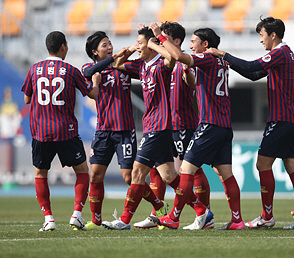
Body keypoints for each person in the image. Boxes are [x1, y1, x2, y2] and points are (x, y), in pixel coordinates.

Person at [205, 17, 294, 230]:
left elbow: (252, 65)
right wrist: (229, 62)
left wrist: (222, 54)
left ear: (273, 35)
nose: (260, 40)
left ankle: (267, 216)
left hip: (282, 119)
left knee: (262, 164)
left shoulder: (279, 53)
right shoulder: (285, 54)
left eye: (262, 35)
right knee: (292, 166)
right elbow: (253, 74)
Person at [151, 25, 242, 230]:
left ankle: (174, 217)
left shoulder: (207, 58)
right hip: (224, 125)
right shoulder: (221, 62)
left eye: (194, 41)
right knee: (226, 174)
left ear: (205, 44)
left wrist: (159, 37)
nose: (190, 45)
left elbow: (177, 55)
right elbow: (192, 79)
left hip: (209, 124)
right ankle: (237, 220)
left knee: (185, 170)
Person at [100, 26, 185, 230]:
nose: (138, 47)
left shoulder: (161, 65)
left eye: (140, 43)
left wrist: (156, 40)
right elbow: (118, 64)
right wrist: (131, 49)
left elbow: (173, 58)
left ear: (152, 45)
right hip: (152, 125)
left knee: (137, 172)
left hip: (160, 125)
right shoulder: (142, 66)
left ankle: (124, 220)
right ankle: (202, 211)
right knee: (169, 176)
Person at [81, 31, 167, 230]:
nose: (109, 47)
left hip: (125, 131)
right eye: (104, 45)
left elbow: (148, 68)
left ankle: (159, 207)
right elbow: (86, 74)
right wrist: (115, 56)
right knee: (95, 176)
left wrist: (129, 53)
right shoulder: (91, 69)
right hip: (103, 131)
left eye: (110, 43)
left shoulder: (123, 68)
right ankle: (96, 219)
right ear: (95, 52)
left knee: (130, 177)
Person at [134, 21, 212, 230]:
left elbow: (192, 82)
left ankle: (204, 212)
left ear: (175, 41)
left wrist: (157, 42)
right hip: (166, 124)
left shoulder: (182, 60)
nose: (160, 41)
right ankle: (158, 213)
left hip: (183, 125)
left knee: (192, 171)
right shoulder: (160, 62)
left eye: (164, 37)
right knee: (159, 170)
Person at [21, 30, 100, 231]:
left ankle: (49, 218)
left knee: (40, 173)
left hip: (41, 131)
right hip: (66, 130)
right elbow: (92, 94)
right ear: (63, 46)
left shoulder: (34, 69)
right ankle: (76, 215)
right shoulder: (71, 70)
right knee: (82, 171)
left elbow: (27, 99)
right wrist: (97, 82)